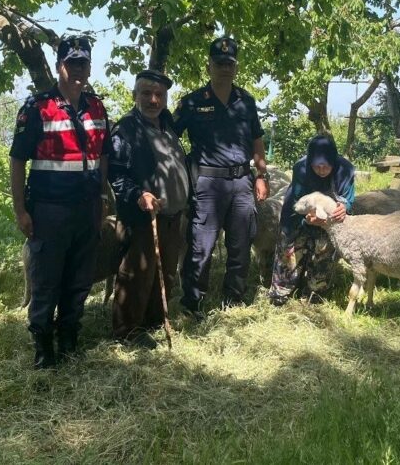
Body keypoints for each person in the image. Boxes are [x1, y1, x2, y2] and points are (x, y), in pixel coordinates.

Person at [9, 36, 111, 369]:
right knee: (46, 280)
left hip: (87, 208)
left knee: (79, 279)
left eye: (83, 64)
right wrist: (20, 210)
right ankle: (43, 347)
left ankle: (69, 339)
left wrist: (102, 197)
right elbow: (17, 160)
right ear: (59, 67)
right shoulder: (37, 107)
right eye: (72, 64)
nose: (78, 70)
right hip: (49, 210)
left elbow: (103, 156)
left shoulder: (96, 108)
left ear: (89, 68)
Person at [173, 37, 269, 316]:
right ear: (209, 66)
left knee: (240, 244)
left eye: (230, 64)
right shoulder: (192, 102)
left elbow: (257, 139)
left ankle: (234, 299)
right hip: (207, 184)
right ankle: (192, 302)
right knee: (201, 246)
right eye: (219, 63)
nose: (225, 68)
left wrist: (261, 175)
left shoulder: (246, 101)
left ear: (235, 67)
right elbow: (169, 136)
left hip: (241, 182)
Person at [107, 69, 189, 349]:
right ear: (135, 95)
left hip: (171, 215)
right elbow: (116, 174)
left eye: (159, 95)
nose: (153, 100)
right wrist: (138, 195)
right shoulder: (126, 129)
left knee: (164, 271)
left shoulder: (167, 124)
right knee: (137, 273)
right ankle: (127, 330)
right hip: (142, 215)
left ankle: (153, 321)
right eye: (146, 93)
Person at [269, 135, 355, 304]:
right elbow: (297, 201)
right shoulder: (301, 168)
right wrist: (306, 219)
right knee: (290, 252)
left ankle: (314, 293)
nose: (321, 170)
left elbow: (348, 199)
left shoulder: (345, 170)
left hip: (329, 220)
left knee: (324, 250)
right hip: (298, 214)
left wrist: (344, 207)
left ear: (333, 161)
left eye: (326, 166)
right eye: (317, 166)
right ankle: (281, 292)